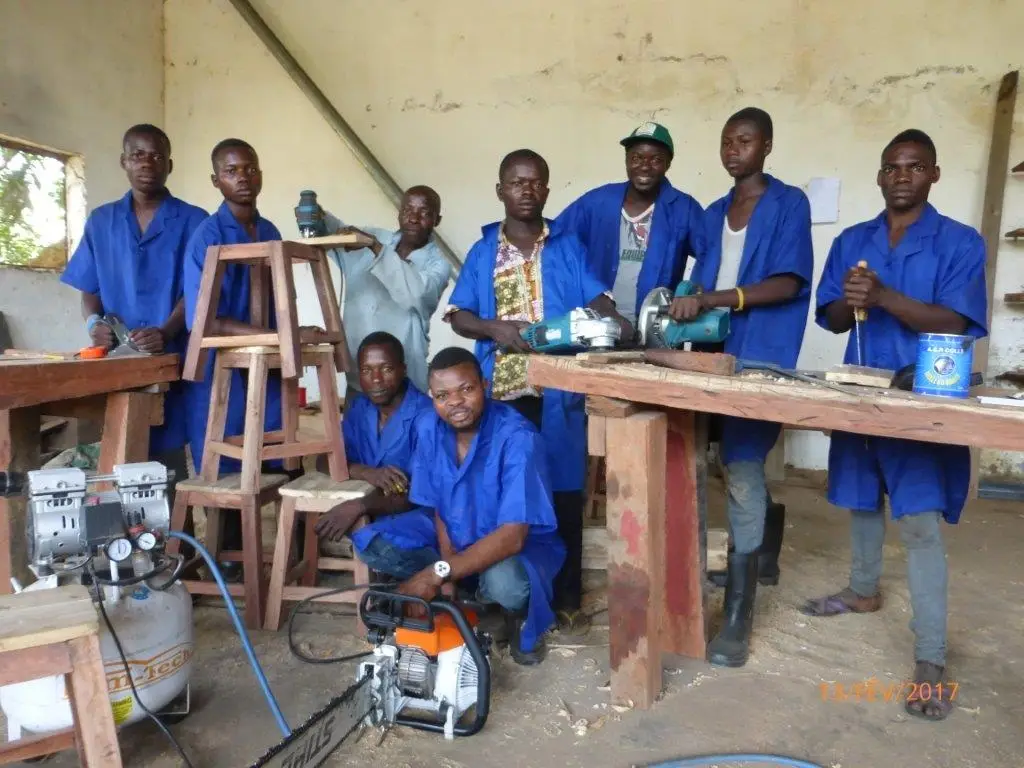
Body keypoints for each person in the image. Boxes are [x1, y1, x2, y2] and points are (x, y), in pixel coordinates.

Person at [804, 129, 988, 722]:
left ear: (933, 174)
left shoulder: (959, 242)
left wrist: (883, 297)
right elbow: (830, 317)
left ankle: (931, 657)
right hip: (861, 390)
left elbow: (957, 320)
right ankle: (862, 590)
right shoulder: (854, 240)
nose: (901, 176)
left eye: (914, 167)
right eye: (891, 167)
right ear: (880, 176)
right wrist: (850, 298)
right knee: (861, 500)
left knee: (919, 523)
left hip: (923, 396)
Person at [444, 149, 630, 633]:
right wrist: (493, 328)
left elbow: (596, 297)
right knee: (506, 494)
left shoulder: (567, 246)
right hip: (502, 397)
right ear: (501, 190)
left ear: (547, 190)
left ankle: (566, 596)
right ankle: (504, 597)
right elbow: (459, 315)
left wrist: (617, 319)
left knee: (564, 492)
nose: (527, 190)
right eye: (517, 182)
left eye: (536, 183)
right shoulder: (485, 251)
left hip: (559, 394)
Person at [667, 107, 814, 668]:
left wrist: (711, 299)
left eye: (745, 140)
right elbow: (698, 277)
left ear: (767, 146)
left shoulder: (788, 204)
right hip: (711, 355)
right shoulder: (710, 213)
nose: (734, 150)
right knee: (720, 460)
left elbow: (786, 283)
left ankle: (737, 615)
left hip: (762, 353)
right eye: (727, 140)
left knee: (746, 463)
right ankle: (765, 544)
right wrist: (686, 293)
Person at [358, 346, 565, 666]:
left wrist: (436, 573)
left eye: (466, 389)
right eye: (442, 395)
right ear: (432, 396)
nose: (454, 402)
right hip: (457, 532)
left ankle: (514, 615)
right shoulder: (429, 427)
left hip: (513, 546)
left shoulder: (517, 437)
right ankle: (452, 590)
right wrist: (447, 573)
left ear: (485, 386)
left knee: (505, 584)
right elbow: (441, 507)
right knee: (375, 542)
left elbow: (513, 536)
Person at [183, 139, 321, 566]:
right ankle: (228, 563)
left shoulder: (271, 232)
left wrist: (292, 331)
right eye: (231, 170)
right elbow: (201, 319)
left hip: (271, 364)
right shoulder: (206, 237)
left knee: (287, 452)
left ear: (260, 174)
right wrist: (270, 334)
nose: (243, 177)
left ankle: (295, 560)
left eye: (250, 168)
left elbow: (283, 303)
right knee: (229, 466)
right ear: (216, 180)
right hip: (225, 370)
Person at [60, 123, 207, 490]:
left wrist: (167, 330)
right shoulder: (102, 222)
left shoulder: (194, 221)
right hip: (117, 360)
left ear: (169, 165)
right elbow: (88, 288)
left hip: (173, 358)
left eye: (157, 156)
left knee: (169, 458)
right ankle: (126, 541)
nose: (147, 163)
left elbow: (201, 290)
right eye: (138, 154)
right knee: (119, 455)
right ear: (123, 162)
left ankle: (177, 543)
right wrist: (94, 322)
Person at [554, 122, 705, 328]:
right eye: (636, 158)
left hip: (658, 329)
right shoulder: (597, 202)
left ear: (668, 164)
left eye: (656, 160)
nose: (645, 166)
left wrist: (690, 294)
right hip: (597, 326)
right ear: (626, 160)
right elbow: (557, 244)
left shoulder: (684, 209)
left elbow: (711, 256)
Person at [309, 186, 453, 394]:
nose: (414, 218)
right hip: (359, 379)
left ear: (436, 220)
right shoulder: (374, 237)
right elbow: (338, 231)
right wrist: (317, 214)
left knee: (405, 426)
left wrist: (376, 248)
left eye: (424, 213)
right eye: (408, 210)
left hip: (405, 381)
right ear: (399, 213)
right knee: (356, 425)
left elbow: (416, 294)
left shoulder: (438, 265)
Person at [313, 331, 437, 558]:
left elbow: (419, 495)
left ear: (403, 369)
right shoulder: (360, 408)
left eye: (387, 369)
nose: (376, 380)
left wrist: (360, 506)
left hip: (419, 517)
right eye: (367, 371)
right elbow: (324, 460)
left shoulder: (427, 416)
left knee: (374, 542)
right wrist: (367, 472)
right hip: (376, 514)